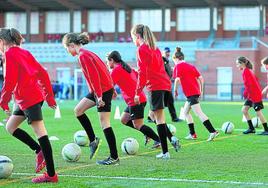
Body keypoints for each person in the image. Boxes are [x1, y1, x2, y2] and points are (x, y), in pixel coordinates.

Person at [0, 28, 58, 183]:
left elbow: (10, 81)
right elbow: (43, 73)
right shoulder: (24, 52)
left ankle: (51, 175)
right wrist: (49, 97)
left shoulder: (10, 54)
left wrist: (3, 101)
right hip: (25, 98)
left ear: (2, 41)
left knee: (41, 133)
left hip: (29, 98)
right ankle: (38, 150)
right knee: (10, 127)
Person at [62, 32, 119, 165]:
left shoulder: (83, 56)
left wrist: (100, 96)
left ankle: (114, 157)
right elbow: (103, 70)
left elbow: (94, 76)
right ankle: (93, 140)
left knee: (105, 123)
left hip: (102, 91)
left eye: (67, 49)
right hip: (102, 90)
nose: (68, 52)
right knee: (78, 110)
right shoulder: (87, 53)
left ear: (71, 45)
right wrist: (111, 89)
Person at [131, 24, 180, 159]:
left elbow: (143, 73)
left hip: (155, 86)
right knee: (153, 116)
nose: (133, 40)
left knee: (159, 119)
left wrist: (137, 91)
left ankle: (165, 152)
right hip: (164, 85)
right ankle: (172, 140)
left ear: (137, 36)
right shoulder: (155, 48)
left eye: (133, 37)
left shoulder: (141, 49)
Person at [106, 51, 161, 148]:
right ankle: (147, 133)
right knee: (124, 119)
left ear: (112, 60)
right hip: (137, 99)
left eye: (107, 61)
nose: (107, 64)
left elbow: (108, 86)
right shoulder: (126, 68)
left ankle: (158, 140)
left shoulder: (116, 70)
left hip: (135, 101)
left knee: (138, 125)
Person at [173, 47, 219, 141]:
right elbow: (201, 78)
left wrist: (175, 90)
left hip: (191, 94)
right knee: (185, 112)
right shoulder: (191, 66)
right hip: (194, 93)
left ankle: (213, 131)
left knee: (199, 113)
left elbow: (177, 79)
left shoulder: (178, 66)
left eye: (174, 61)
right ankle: (192, 134)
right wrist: (201, 90)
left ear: (176, 59)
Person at [236, 56, 268, 135]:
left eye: (237, 64)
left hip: (255, 95)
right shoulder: (247, 70)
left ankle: (266, 130)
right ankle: (251, 128)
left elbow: (248, 84)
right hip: (251, 95)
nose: (237, 66)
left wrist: (245, 93)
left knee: (258, 112)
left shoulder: (246, 71)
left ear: (242, 63)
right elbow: (253, 82)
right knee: (244, 110)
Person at [162, 47, 181, 122]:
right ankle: (151, 117)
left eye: (169, 52)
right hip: (162, 85)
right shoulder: (162, 60)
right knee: (160, 103)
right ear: (163, 52)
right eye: (166, 52)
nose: (168, 53)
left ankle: (174, 118)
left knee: (170, 101)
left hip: (167, 84)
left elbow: (168, 72)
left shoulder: (166, 61)